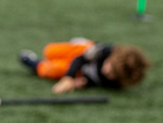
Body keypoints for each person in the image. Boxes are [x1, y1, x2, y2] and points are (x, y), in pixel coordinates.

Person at [19, 39, 151, 94]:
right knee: (50, 51)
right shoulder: (106, 50)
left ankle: (32, 62)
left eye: (111, 74)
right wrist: (68, 78)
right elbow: (80, 58)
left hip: (81, 72)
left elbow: (94, 82)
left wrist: (81, 83)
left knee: (51, 70)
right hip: (79, 54)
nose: (106, 71)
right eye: (108, 66)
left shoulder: (115, 84)